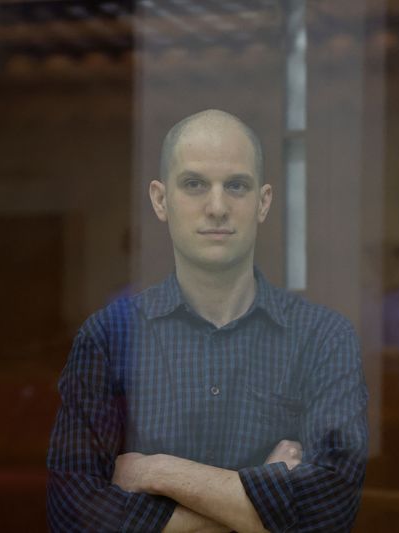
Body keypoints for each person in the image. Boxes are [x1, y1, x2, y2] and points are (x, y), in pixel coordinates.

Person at [47, 109, 368, 532]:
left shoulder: (323, 338)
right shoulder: (109, 337)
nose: (217, 207)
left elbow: (329, 513)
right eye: (194, 184)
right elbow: (75, 517)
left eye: (236, 186)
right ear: (160, 200)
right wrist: (264, 503)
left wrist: (156, 472)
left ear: (264, 202)